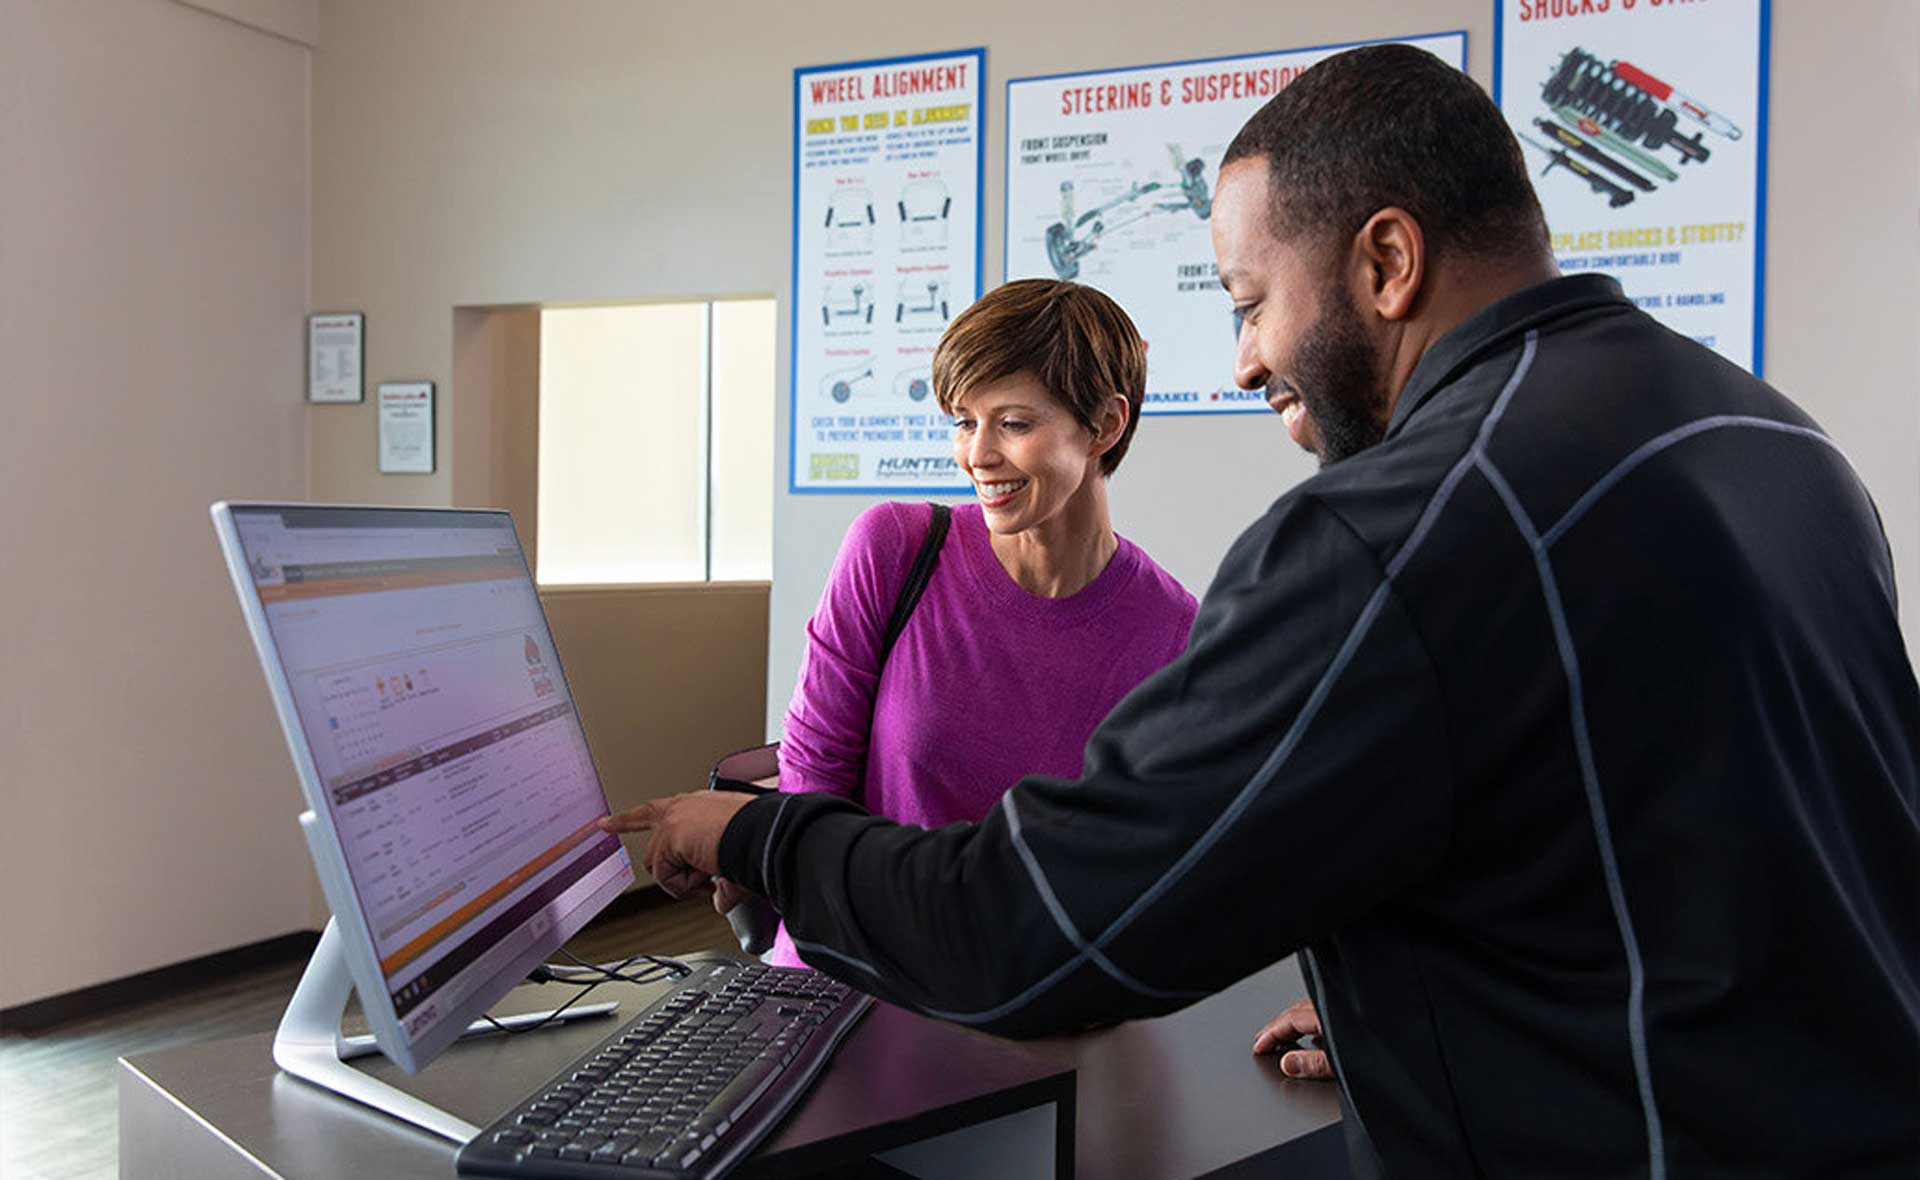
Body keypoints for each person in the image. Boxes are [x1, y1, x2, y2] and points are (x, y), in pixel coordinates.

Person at [604, 44, 1920, 1177]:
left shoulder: (1400, 525)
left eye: (1250, 304)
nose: (1241, 359)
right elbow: (1679, 848)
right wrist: (1395, 1007)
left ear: (1387, 261)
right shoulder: (1769, 439)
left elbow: (1039, 928)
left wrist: (758, 838)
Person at [713, 277, 1197, 968]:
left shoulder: (1174, 636)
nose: (978, 454)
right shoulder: (894, 547)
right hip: (844, 968)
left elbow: (1136, 876)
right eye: (965, 421)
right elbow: (810, 785)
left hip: (1027, 1000)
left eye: (1014, 423)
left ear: (1106, 426)